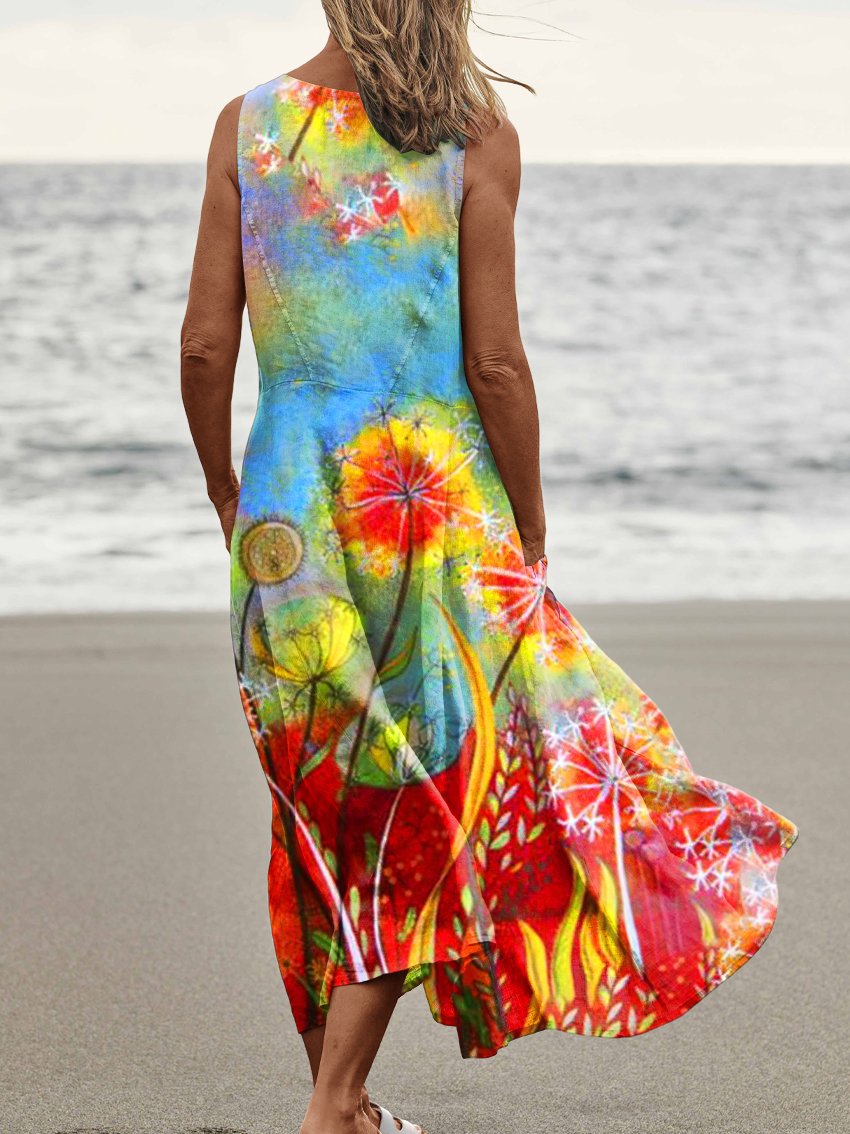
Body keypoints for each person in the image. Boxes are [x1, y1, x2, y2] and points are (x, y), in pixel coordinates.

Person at [180, 13, 798, 1134]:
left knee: (325, 798)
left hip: (289, 514)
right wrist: (530, 521)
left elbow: (204, 350)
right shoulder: (472, 134)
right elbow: (495, 358)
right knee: (432, 785)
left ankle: (346, 1104)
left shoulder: (248, 126)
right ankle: (335, 1106)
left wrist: (228, 490)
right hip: (430, 508)